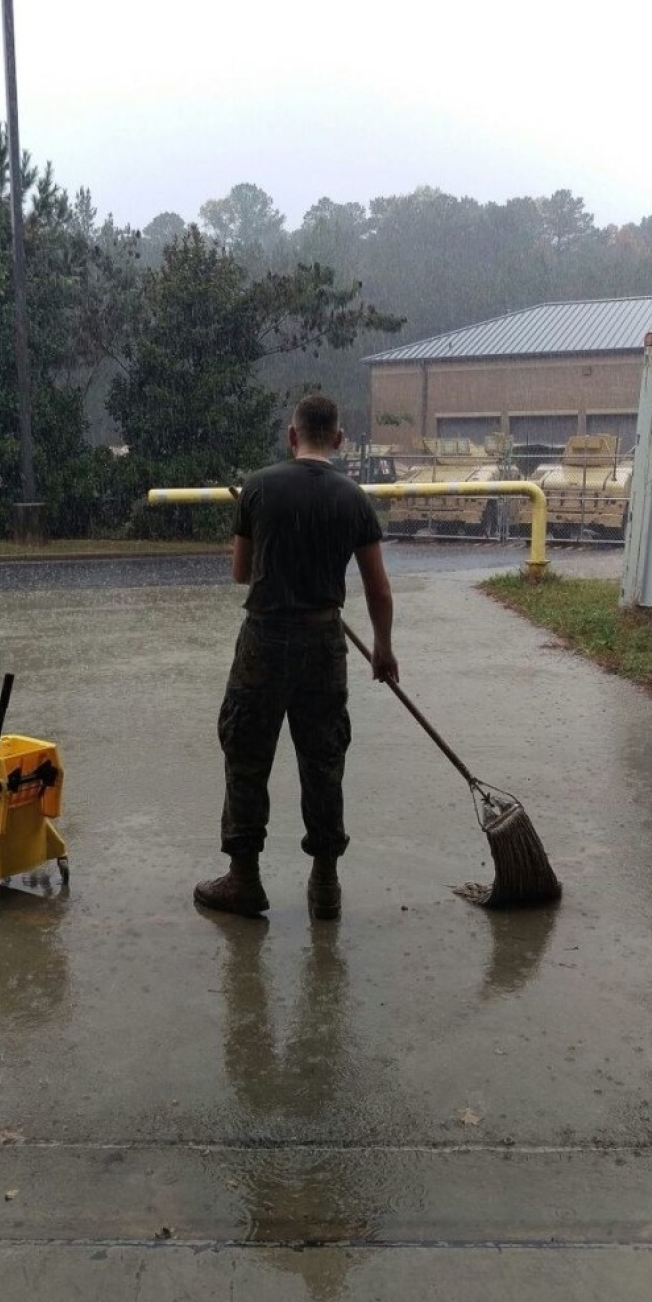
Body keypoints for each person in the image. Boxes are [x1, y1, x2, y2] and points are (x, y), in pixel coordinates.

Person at [194, 393, 398, 922]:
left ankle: (244, 880)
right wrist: (382, 648)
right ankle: (325, 883)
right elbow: (378, 589)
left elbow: (241, 573)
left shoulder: (259, 487)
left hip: (265, 640)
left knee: (247, 753)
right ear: (338, 439)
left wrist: (272, 551)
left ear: (291, 436)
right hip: (323, 642)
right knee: (323, 760)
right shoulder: (353, 498)